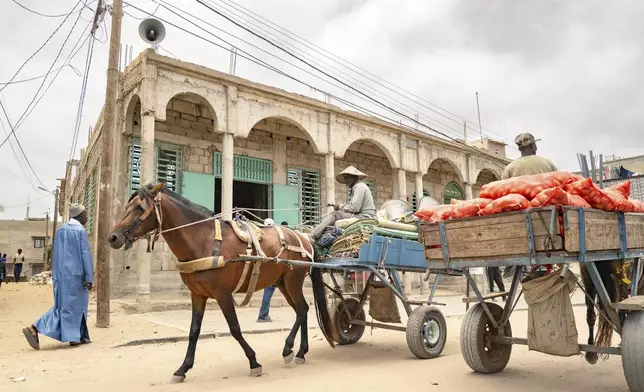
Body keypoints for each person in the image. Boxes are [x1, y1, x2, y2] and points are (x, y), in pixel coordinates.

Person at [22, 204, 94, 350]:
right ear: (79, 215)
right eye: (85, 214)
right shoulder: (80, 231)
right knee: (75, 307)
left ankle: (76, 337)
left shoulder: (61, 231)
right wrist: (89, 277)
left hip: (61, 276)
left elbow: (56, 255)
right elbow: (85, 255)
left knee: (63, 307)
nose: (87, 216)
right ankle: (34, 328)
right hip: (76, 276)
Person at [503, 133, 558, 279]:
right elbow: (560, 188)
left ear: (519, 149)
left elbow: (503, 195)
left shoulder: (510, 168)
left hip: (519, 225)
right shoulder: (547, 164)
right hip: (548, 223)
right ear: (534, 146)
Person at [309, 165, 376, 241]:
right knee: (337, 217)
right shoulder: (357, 187)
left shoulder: (359, 186)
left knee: (335, 214)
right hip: (360, 215)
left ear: (354, 177)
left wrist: (340, 207)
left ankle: (313, 235)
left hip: (365, 217)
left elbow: (354, 207)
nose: (345, 181)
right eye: (344, 178)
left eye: (347, 178)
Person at [257, 219, 287, 323]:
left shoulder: (260, 235)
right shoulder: (274, 238)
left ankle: (263, 315)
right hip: (274, 270)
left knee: (268, 292)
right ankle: (262, 315)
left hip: (265, 269)